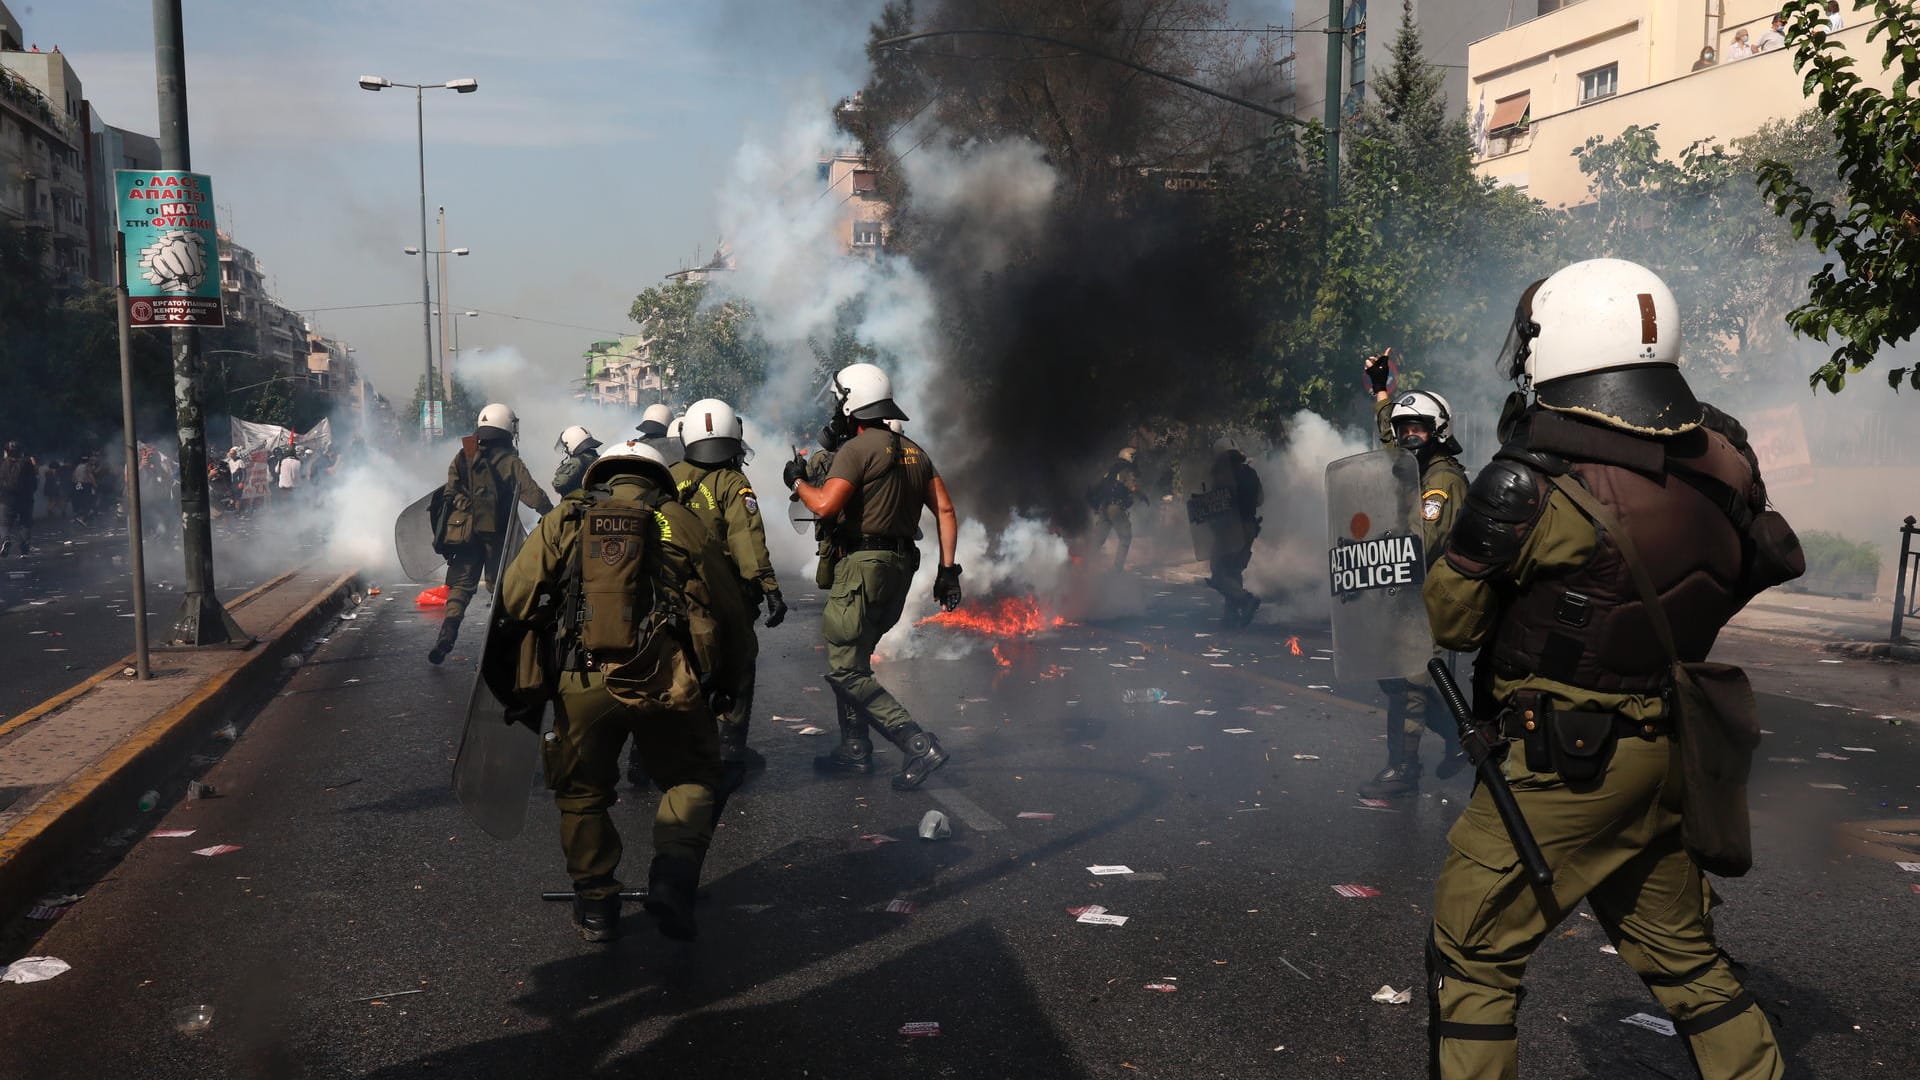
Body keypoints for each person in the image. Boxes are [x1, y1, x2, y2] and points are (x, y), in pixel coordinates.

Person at [1421, 258, 1788, 1078]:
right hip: (1670, 754)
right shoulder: (1726, 463)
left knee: (1472, 954)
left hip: (1565, 767)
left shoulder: (1534, 484)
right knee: (1685, 961)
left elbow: (1455, 619)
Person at [498, 439, 756, 943]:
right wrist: (726, 683)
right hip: (667, 680)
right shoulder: (680, 520)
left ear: (602, 475)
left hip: (583, 678)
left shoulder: (569, 516)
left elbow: (514, 596)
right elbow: (730, 611)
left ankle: (596, 905)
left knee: (582, 794)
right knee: (693, 775)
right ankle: (673, 880)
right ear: (660, 480)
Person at [784, 363, 961, 790]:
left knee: (845, 669)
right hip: (901, 569)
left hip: (864, 567)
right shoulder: (915, 450)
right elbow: (946, 511)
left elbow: (825, 505)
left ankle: (917, 743)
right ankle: (855, 749)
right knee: (856, 660)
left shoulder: (856, 451)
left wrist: (796, 482)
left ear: (850, 403)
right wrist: (948, 571)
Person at [1359, 352, 1470, 797]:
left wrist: (1381, 547)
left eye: (1417, 429)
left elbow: (1422, 542)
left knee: (1410, 685)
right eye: (1405, 429)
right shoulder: (1416, 467)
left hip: (1429, 597)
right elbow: (1389, 442)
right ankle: (1464, 736)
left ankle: (1403, 768)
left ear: (1437, 432)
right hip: (1405, 595)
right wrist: (1382, 389)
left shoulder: (1441, 481)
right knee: (1396, 677)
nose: (1407, 436)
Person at [671, 398, 787, 794]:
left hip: (674, 593)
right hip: (723, 593)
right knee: (738, 663)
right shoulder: (734, 483)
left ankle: (655, 753)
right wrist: (769, 587)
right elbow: (747, 540)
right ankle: (728, 751)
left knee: (676, 666)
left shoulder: (668, 477)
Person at [429, 403, 555, 665]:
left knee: (461, 587)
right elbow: (532, 494)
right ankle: (501, 647)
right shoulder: (509, 461)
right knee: (502, 588)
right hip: (497, 535)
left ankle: (448, 632)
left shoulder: (464, 454)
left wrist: (467, 509)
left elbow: (450, 492)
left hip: (463, 534)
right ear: (507, 427)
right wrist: (553, 515)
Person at [1202, 437, 1263, 626]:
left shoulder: (1221, 475)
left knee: (1219, 573)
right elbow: (1260, 499)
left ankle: (1245, 600)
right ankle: (1231, 614)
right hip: (1250, 526)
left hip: (1230, 527)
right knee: (1234, 570)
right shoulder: (1250, 472)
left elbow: (1217, 503)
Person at [1087, 447, 1146, 572]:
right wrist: (1142, 495)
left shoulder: (1110, 471)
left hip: (1103, 507)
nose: (1136, 461)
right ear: (1129, 457)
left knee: (1098, 539)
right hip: (1115, 508)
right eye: (1134, 458)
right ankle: (1117, 569)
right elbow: (1133, 487)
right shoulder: (1127, 470)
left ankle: (1084, 564)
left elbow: (1097, 487)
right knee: (1125, 537)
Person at [0, 441, 39, 558]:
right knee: (25, 524)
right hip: (26, 499)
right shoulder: (27, 463)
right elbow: (34, 481)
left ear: (6, 452)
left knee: (4, 523)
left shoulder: (2, 463)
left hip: (6, 499)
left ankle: (5, 540)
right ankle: (24, 549)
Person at [552, 425, 601, 498]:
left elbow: (560, 483)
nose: (566, 450)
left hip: (582, 503)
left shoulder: (577, 461)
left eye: (566, 447)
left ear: (571, 443)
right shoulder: (596, 457)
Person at [71, 455, 100, 528]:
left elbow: (73, 476)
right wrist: (95, 484)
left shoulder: (78, 466)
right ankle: (83, 517)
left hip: (78, 484)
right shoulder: (87, 466)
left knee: (79, 498)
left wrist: (75, 484)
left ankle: (79, 515)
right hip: (85, 484)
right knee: (87, 500)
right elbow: (90, 475)